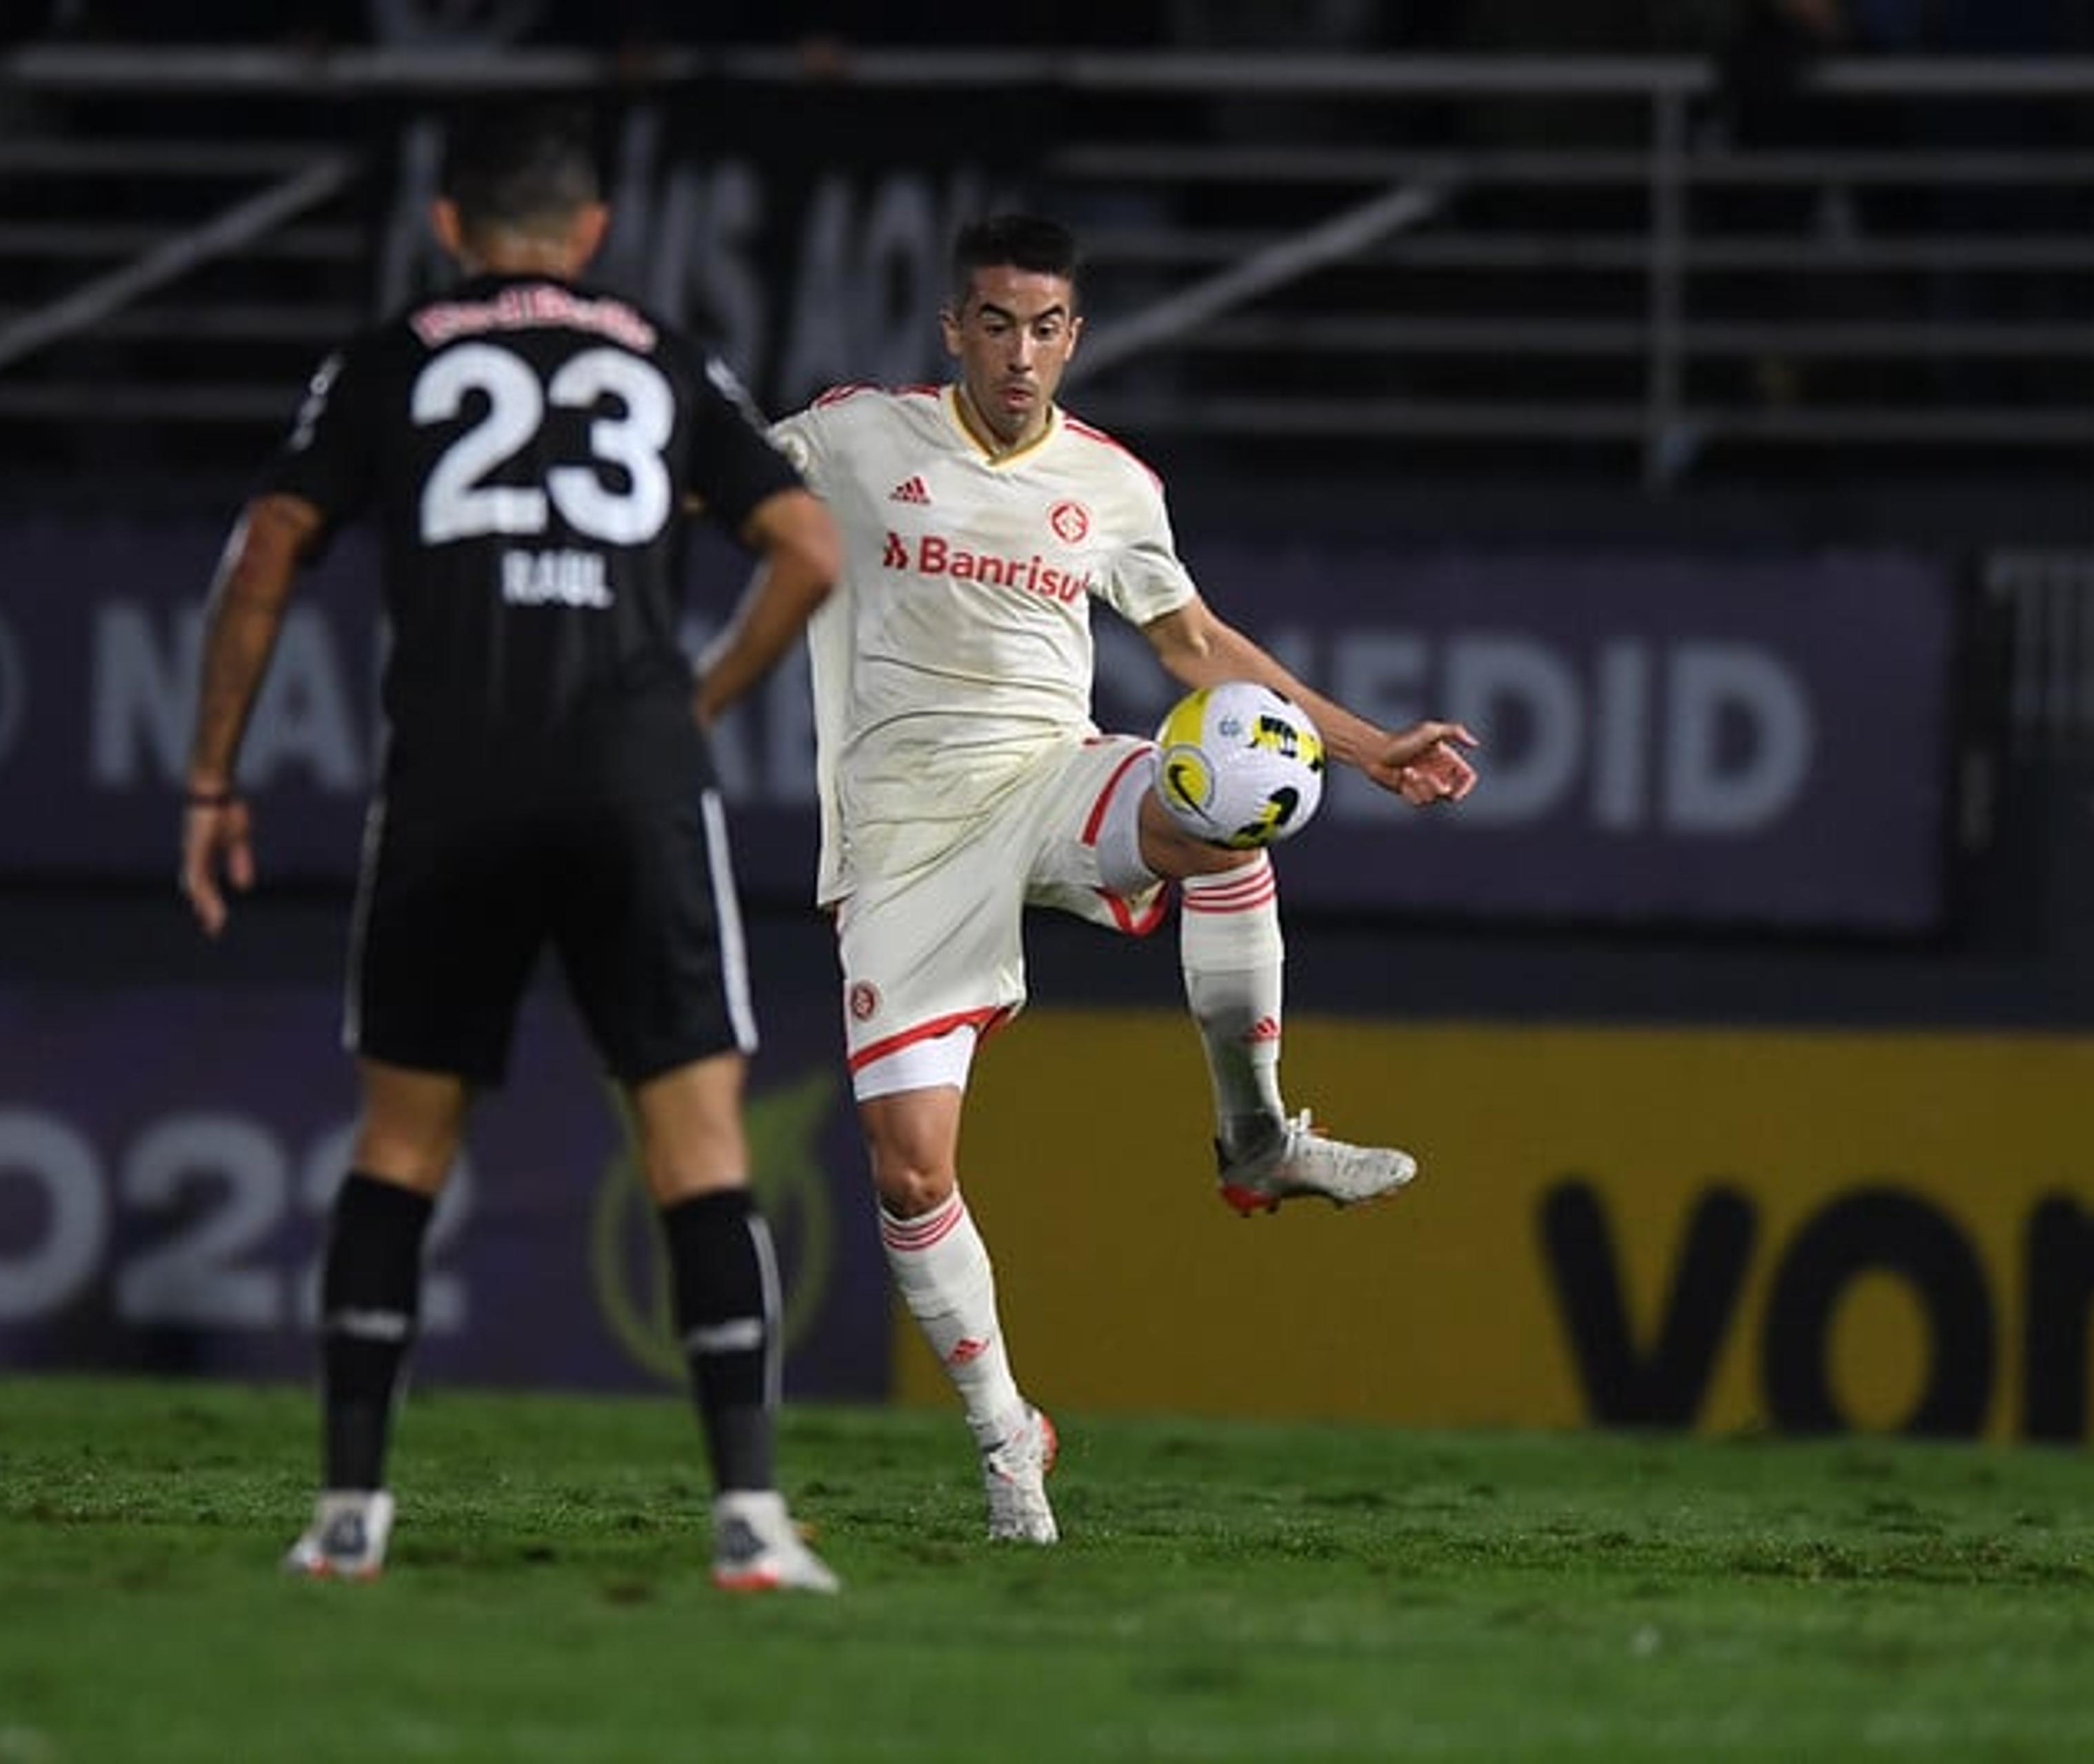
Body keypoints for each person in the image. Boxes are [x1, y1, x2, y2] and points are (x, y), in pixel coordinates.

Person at [728, 215, 1478, 1545]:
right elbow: (710, 474)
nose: (1023, 355)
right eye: (998, 324)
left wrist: (1365, 751)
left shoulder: (1112, 487)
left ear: (1075, 336)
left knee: (1226, 794)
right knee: (909, 1174)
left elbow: (1195, 644)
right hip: (906, 838)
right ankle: (1009, 1435)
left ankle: (1257, 1138)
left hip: (1051, 778)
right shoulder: (858, 437)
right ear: (954, 328)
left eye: (1048, 327)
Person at [178, 104, 843, 1592]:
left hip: (452, 781)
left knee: (403, 1145)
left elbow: (269, 543)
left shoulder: (390, 354)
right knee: (699, 1146)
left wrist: (213, 780)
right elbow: (808, 547)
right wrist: (702, 697)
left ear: (449, 225)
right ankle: (750, 1521)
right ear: (595, 229)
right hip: (631, 776)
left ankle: (348, 1516)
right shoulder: (663, 354)